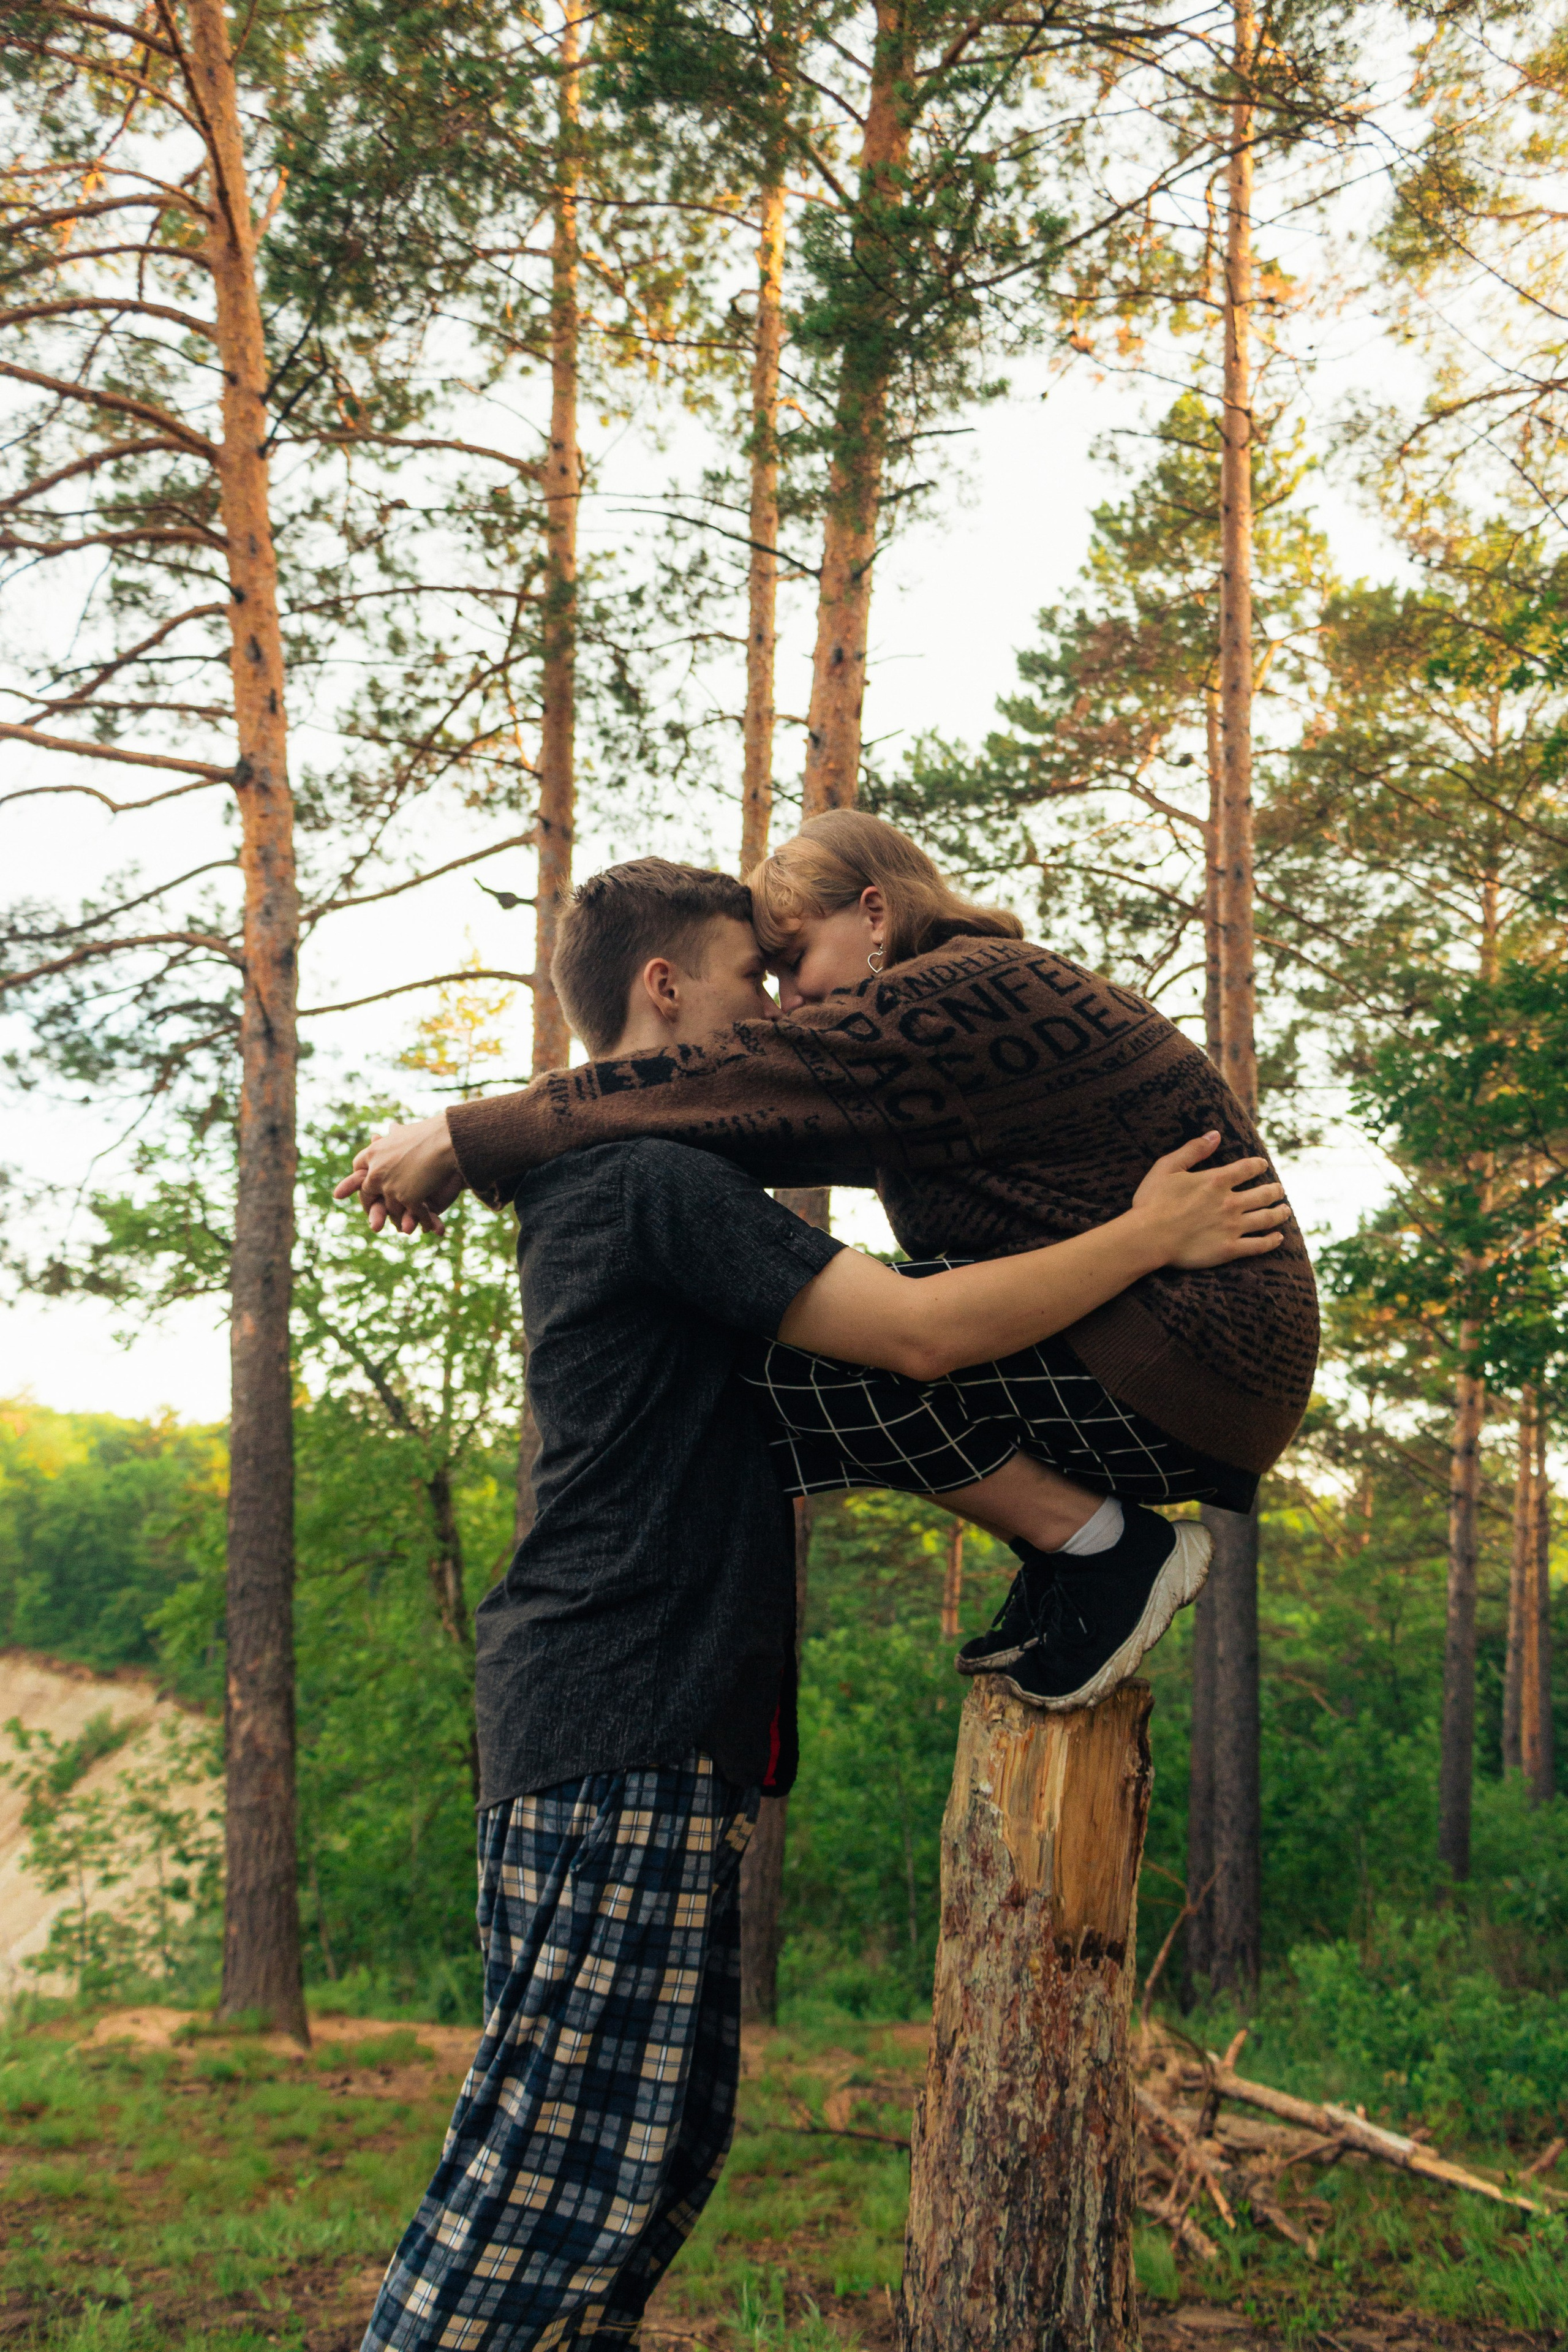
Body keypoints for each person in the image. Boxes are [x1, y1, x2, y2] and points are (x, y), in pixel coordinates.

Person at [355, 862, 1286, 2352]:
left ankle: (1094, 1550)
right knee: (558, 2187)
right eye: (744, 980)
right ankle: (1096, 1545)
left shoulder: (623, 1169)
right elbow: (914, 1333)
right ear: (664, 989)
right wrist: (1144, 1239)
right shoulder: (653, 1176)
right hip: (622, 1711)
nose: (768, 1023)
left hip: (632, 1712)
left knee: (641, 2165)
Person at [339, 821, 1317, 1703]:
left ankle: (1106, 1550)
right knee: (801, 1321)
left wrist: (463, 1137)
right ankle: (1079, 1551)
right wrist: (502, 1149)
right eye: (768, 972)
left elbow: (719, 1086)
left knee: (789, 1351)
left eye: (795, 958)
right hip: (1191, 1355)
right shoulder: (930, 1043)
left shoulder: (957, 995)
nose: (788, 1000)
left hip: (1195, 1345)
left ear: (877, 912)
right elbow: (714, 1115)